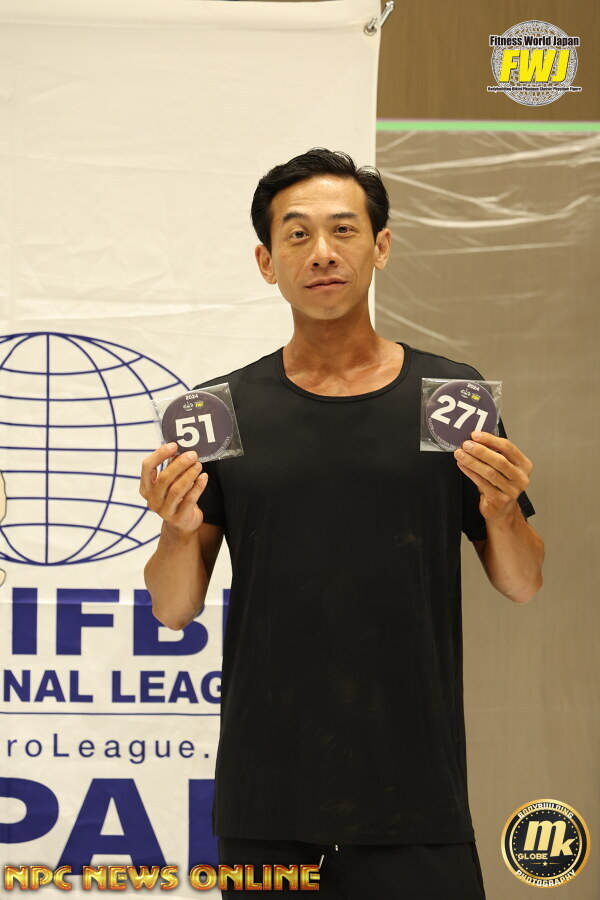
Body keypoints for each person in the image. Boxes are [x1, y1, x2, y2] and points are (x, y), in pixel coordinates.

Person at [139, 148, 544, 899]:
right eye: (297, 234)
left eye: (344, 230)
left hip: (417, 795)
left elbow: (522, 583)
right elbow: (172, 607)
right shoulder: (218, 412)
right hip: (267, 799)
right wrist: (175, 528)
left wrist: (500, 512)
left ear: (380, 246)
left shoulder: (449, 398)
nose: (322, 252)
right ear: (267, 262)